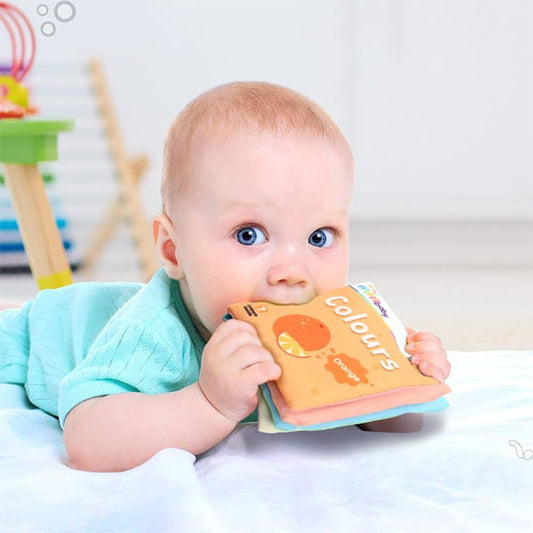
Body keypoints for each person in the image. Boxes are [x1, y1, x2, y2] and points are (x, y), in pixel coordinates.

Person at [0, 81, 451, 472]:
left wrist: (403, 386)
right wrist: (208, 403)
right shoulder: (151, 333)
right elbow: (87, 441)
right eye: (249, 235)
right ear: (173, 250)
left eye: (319, 237)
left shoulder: (329, 329)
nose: (293, 272)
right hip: (35, 338)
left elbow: (373, 421)